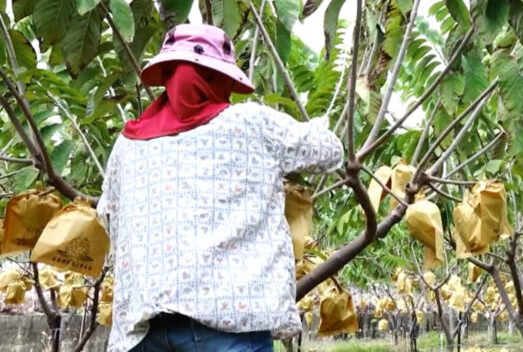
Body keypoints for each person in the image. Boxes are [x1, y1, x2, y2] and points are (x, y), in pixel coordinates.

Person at [97, 24, 343, 352]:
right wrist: (314, 127)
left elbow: (106, 215)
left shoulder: (127, 145)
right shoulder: (251, 125)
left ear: (166, 77)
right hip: (228, 327)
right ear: (221, 79)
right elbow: (329, 152)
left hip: (144, 330)